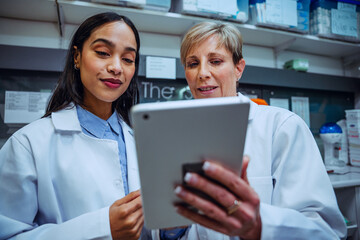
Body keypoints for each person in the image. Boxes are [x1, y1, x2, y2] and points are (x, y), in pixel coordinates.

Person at [173, 21, 347, 239]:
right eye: (192, 64)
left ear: (238, 68)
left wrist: (259, 226)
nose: (203, 73)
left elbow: (326, 231)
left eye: (215, 61)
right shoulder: (178, 134)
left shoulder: (283, 127)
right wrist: (172, 229)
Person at [0, 12, 150, 240]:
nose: (116, 67)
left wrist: (169, 230)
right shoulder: (28, 144)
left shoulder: (141, 142)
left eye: (128, 59)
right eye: (102, 53)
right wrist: (102, 227)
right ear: (77, 57)